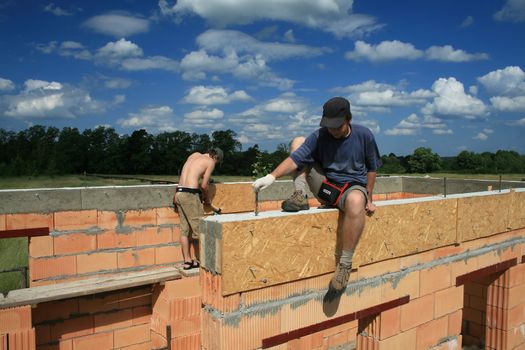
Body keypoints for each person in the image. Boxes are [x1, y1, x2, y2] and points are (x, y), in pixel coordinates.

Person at [253, 97, 381, 292]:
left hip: (351, 189)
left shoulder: (364, 135)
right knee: (298, 143)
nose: (333, 131)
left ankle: (345, 265)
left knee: (356, 200)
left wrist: (369, 198)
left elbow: (372, 168)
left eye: (337, 126)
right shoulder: (320, 136)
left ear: (349, 119)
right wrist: (271, 176)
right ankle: (299, 195)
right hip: (327, 188)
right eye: (329, 126)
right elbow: (296, 159)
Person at [175, 147, 223, 270]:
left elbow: (187, 175)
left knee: (184, 231)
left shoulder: (194, 155)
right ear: (216, 157)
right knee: (200, 229)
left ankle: (188, 261)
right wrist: (208, 200)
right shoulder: (210, 161)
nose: (215, 164)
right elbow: (204, 185)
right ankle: (204, 261)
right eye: (217, 162)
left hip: (179, 193)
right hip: (190, 195)